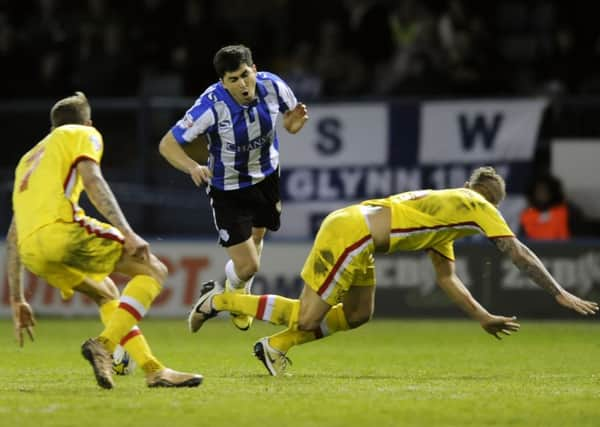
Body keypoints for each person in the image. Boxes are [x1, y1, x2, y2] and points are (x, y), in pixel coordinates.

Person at [188, 166, 599, 376]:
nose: (496, 213)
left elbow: (447, 279)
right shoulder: (476, 204)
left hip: (361, 234)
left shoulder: (447, 225)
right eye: (495, 205)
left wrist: (482, 317)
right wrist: (558, 292)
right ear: (490, 199)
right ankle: (219, 298)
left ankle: (275, 347)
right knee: (308, 315)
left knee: (358, 313)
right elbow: (518, 253)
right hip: (352, 233)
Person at [6, 92, 202, 389]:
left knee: (107, 292)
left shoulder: (27, 160)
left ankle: (154, 370)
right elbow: (94, 180)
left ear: (51, 127)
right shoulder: (82, 132)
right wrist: (127, 232)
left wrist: (17, 298)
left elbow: (13, 233)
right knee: (154, 270)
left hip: (32, 250)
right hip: (61, 231)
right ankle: (105, 345)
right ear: (88, 121)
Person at [158, 44, 309, 332]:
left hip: (267, 176)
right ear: (222, 82)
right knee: (249, 266)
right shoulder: (211, 106)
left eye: (245, 75)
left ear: (254, 69)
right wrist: (192, 166)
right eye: (233, 80)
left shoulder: (273, 85)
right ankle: (216, 296)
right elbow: (167, 143)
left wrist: (294, 124)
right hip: (228, 189)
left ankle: (238, 294)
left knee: (259, 235)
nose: (243, 84)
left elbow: (289, 122)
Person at [519, 173, 600, 240]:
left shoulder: (567, 211)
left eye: (545, 191)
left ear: (552, 192)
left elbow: (581, 235)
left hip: (564, 254)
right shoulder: (527, 215)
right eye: (539, 191)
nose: (542, 194)